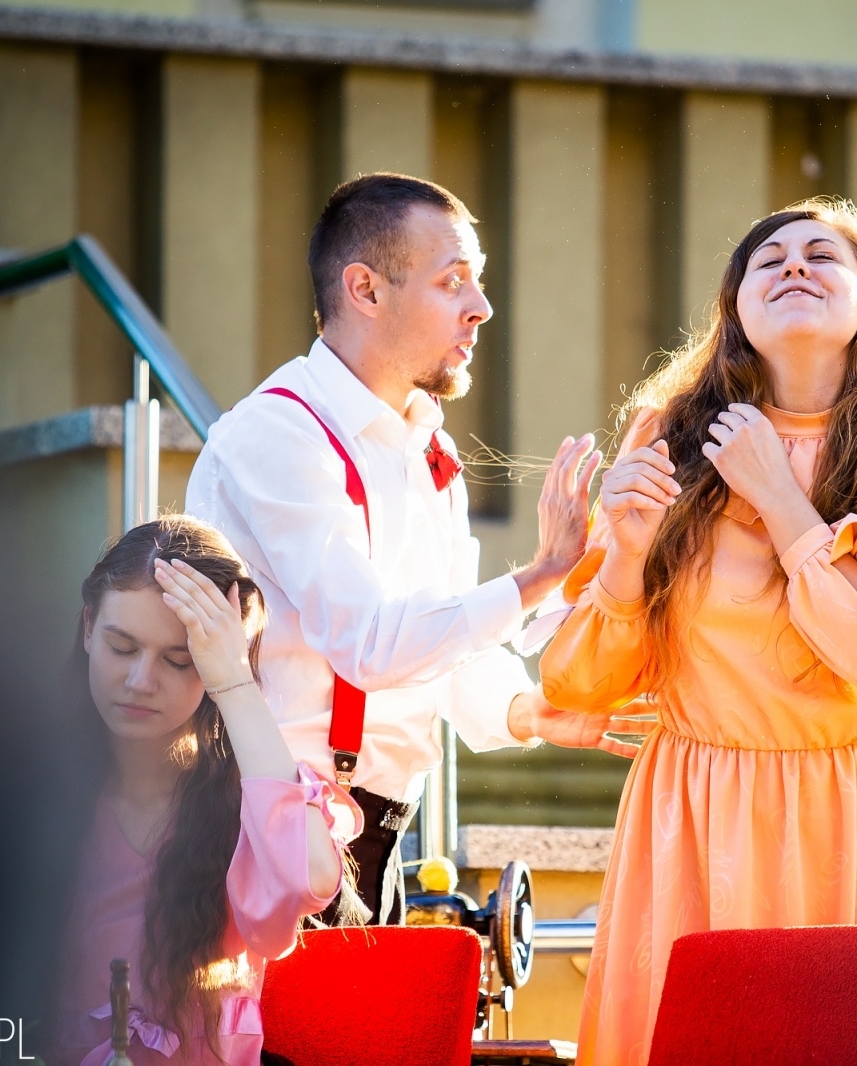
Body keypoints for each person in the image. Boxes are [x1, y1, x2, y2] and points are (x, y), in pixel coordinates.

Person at [539, 198, 857, 1065]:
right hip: (696, 818)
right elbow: (577, 685)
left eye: (822, 255)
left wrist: (780, 500)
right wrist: (627, 556)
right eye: (769, 258)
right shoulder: (667, 439)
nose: (794, 264)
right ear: (735, 308)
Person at [187, 172, 636, 926]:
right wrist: (540, 576)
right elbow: (370, 642)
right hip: (270, 828)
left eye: (478, 281)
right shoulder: (278, 434)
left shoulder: (428, 448)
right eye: (452, 281)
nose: (481, 307)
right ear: (365, 289)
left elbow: (442, 648)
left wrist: (528, 711)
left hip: (378, 834)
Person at [52, 516, 359, 1066]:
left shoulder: (249, 796)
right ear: (88, 628)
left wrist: (236, 683)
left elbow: (309, 878)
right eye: (122, 647)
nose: (141, 681)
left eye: (180, 660)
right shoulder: (29, 788)